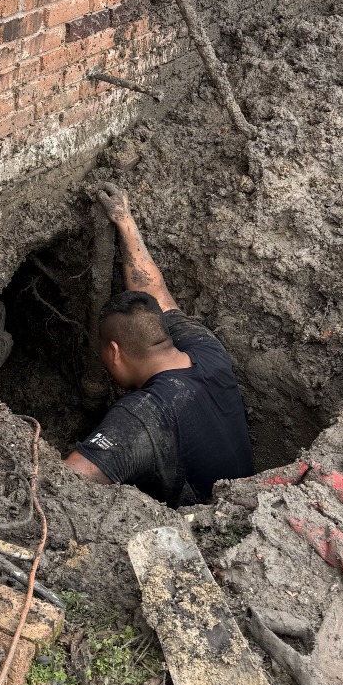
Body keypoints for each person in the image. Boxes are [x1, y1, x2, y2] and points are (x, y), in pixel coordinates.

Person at [64, 182, 255, 507]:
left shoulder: (143, 416)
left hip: (206, 532)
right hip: (251, 500)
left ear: (114, 353)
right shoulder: (206, 349)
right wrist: (124, 220)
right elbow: (157, 294)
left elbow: (62, 485)